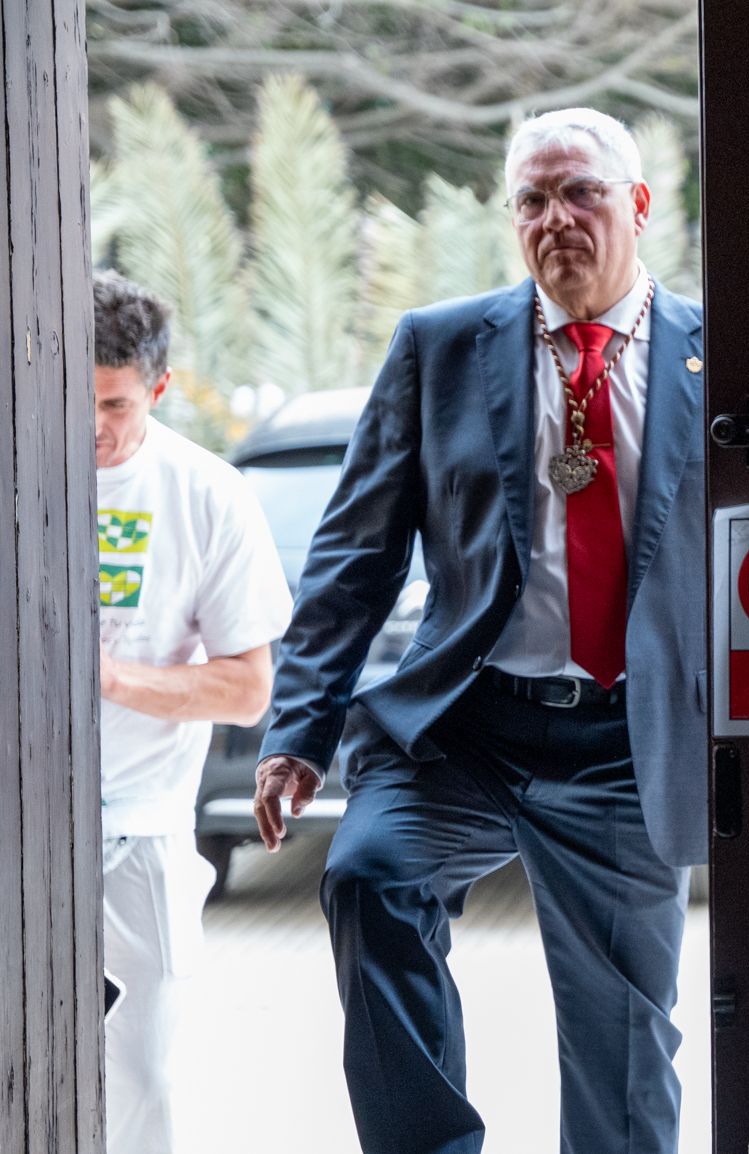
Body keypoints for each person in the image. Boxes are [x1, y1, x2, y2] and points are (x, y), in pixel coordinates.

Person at [252, 107, 707, 1154]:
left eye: (581, 192)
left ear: (638, 206)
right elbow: (355, 552)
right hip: (465, 723)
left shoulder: (713, 355)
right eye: (533, 200)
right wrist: (298, 729)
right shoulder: (442, 346)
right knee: (369, 876)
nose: (556, 218)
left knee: (624, 1048)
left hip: (625, 743)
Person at [93, 269, 292, 1153]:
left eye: (117, 406)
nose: (94, 428)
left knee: (145, 1074)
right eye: (78, 401)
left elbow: (248, 685)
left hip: (141, 823)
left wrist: (110, 680)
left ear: (160, 388)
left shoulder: (207, 493)